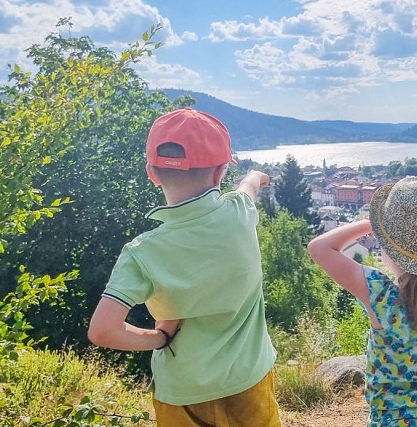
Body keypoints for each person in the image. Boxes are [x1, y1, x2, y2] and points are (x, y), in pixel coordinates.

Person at [88, 107, 281, 427]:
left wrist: (159, 338)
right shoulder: (239, 214)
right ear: (220, 174)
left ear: (152, 172)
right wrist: (255, 176)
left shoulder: (142, 253)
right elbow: (249, 186)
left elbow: (102, 330)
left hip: (184, 393)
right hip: (250, 379)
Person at [308, 176, 417, 427]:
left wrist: (369, 223)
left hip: (392, 419)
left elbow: (319, 248)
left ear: (388, 247)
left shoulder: (379, 295)